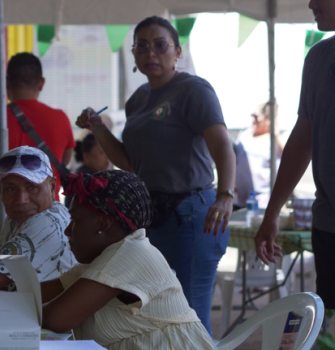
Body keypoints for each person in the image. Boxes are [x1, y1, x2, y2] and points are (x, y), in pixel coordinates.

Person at [0, 170, 217, 349]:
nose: (66, 230)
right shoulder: (100, 261)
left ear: (102, 224)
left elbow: (55, 318)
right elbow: (22, 295)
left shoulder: (131, 253)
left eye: (75, 221)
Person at [75, 16, 236, 335]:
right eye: (142, 46)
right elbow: (131, 162)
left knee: (188, 314)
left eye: (160, 45)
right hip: (153, 215)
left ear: (177, 52)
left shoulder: (194, 90)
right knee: (162, 311)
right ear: (134, 55)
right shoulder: (137, 100)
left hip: (192, 215)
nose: (151, 53)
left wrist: (226, 195)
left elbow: (222, 146)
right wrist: (97, 127)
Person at [255, 0, 335, 314]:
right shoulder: (317, 57)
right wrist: (273, 212)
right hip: (328, 224)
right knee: (328, 324)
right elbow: (303, 140)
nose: (310, 3)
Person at [0, 53, 76, 258]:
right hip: (47, 217)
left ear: (6, 84)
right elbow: (63, 162)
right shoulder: (60, 119)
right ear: (41, 83)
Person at [0, 146, 75, 290]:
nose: (21, 200)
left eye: (32, 187)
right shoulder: (15, 218)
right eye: (11, 189)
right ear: (0, 191)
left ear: (52, 187)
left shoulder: (47, 223)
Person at [235, 102, 284, 208]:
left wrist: (276, 134)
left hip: (263, 199)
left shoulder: (273, 139)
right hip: (241, 197)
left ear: (268, 119)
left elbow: (289, 158)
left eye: (256, 117)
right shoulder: (244, 135)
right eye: (252, 116)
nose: (253, 120)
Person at [64, 133, 112, 207]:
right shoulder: (88, 180)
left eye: (107, 152)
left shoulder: (80, 177)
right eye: (102, 152)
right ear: (86, 156)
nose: (106, 157)